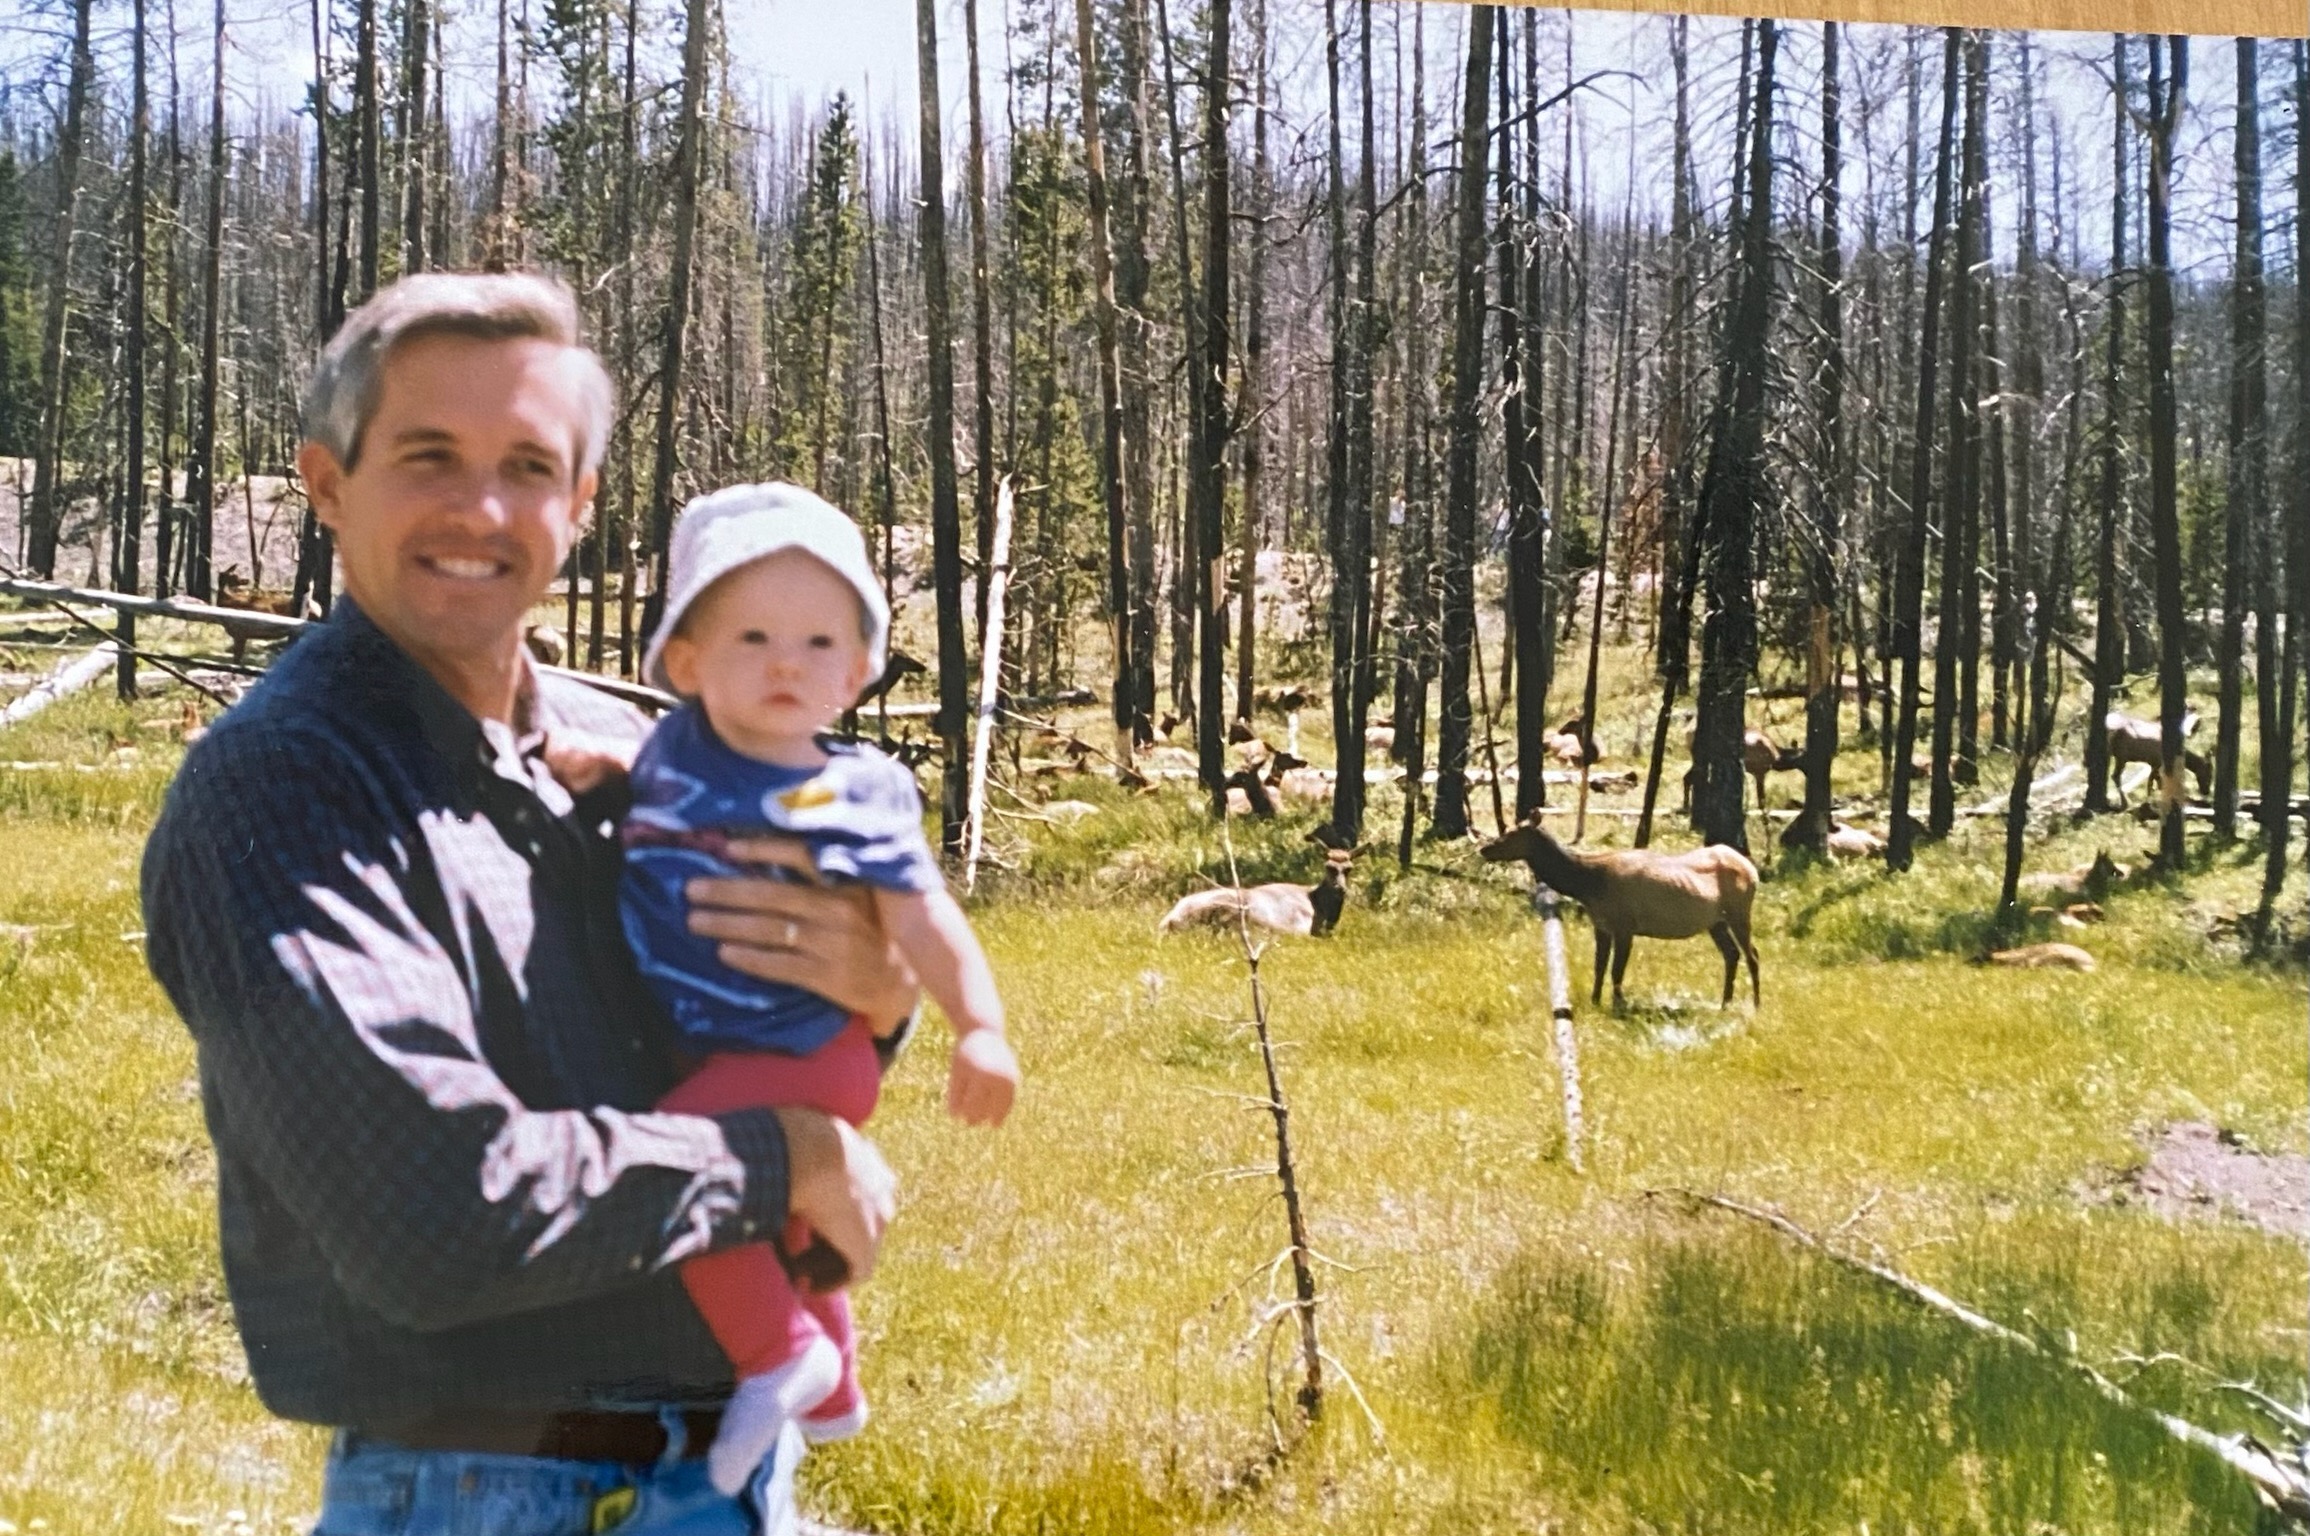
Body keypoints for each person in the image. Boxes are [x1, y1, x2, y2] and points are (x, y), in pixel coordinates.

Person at [140, 272, 910, 1535]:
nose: (481, 509)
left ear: (581, 507)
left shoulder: (643, 748)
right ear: (327, 483)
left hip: (730, 1474)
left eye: (528, 466)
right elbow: (436, 1210)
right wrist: (781, 1160)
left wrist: (876, 1002)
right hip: (481, 1492)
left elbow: (776, 1001)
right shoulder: (287, 787)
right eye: (429, 456)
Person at [552, 483, 1018, 1493]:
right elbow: (660, 786)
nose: (783, 663)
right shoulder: (674, 748)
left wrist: (978, 1025)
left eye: (816, 645)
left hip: (812, 1054)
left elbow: (924, 917)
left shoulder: (846, 794)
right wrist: (604, 774)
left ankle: (776, 1356)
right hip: (731, 1045)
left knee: (688, 1169)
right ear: (685, 661)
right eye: (753, 635)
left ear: (855, 672)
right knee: (788, 1221)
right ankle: (835, 1384)